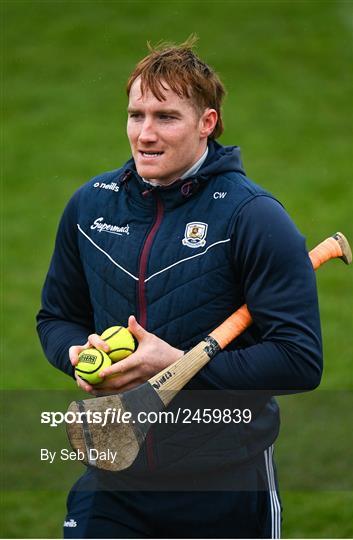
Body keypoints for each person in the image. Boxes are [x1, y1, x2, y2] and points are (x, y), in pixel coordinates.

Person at [37, 36, 322, 539]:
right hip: (112, 480)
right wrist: (77, 352)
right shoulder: (90, 207)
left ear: (206, 123)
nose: (145, 134)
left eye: (165, 116)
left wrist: (178, 366)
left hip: (223, 487)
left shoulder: (252, 217)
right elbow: (56, 317)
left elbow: (300, 359)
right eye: (135, 115)